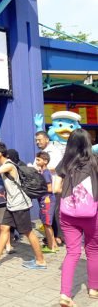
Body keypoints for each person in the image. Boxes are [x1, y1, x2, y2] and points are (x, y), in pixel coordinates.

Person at [53, 129, 98, 306]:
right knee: (93, 251)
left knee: (72, 252)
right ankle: (93, 288)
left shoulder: (64, 163)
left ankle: (65, 294)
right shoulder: (95, 162)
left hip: (67, 214)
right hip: (92, 214)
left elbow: (56, 189)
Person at [33, 151, 57, 253]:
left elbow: (49, 188)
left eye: (38, 160)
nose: (36, 161)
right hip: (44, 200)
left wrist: (38, 190)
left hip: (47, 200)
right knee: (47, 224)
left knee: (47, 224)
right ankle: (53, 245)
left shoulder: (46, 173)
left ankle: (51, 247)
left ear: (45, 161)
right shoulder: (42, 172)